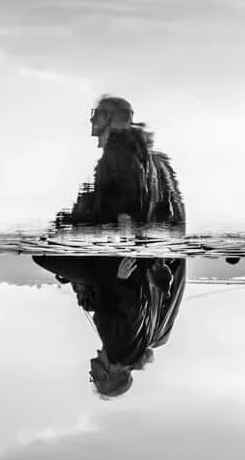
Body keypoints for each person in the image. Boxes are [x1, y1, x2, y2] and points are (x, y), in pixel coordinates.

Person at [31, 256, 186, 398]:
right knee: (43, 258)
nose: (91, 373)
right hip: (125, 272)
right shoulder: (119, 349)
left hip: (137, 273)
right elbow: (132, 309)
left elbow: (113, 309)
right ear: (106, 375)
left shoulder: (141, 347)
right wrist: (121, 279)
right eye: (95, 378)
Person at [55, 97, 186, 229]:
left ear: (108, 118)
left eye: (97, 114)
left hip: (121, 240)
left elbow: (125, 211)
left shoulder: (120, 152)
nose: (92, 119)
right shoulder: (141, 152)